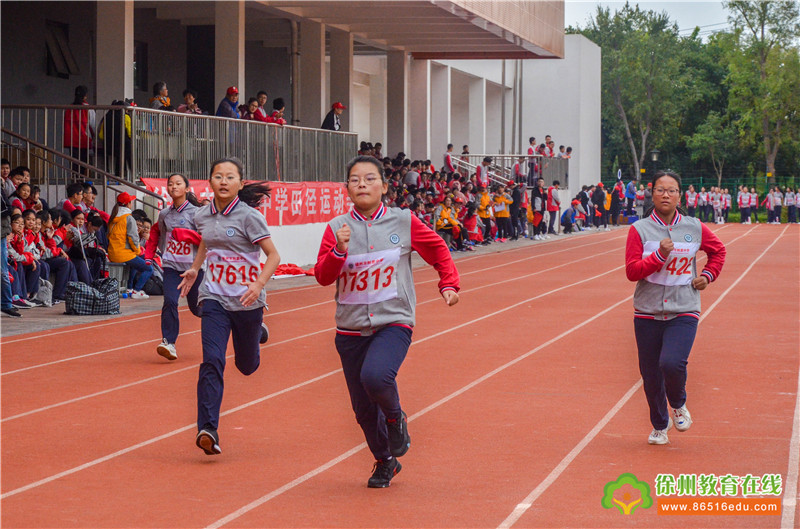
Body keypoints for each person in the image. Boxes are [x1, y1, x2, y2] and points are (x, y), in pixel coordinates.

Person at [313, 155, 459, 488]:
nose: (361, 184)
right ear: (346, 188)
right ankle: (385, 461)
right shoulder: (337, 228)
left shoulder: (403, 222)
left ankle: (395, 417)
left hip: (394, 320)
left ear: (384, 186)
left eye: (369, 179)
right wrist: (339, 250)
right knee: (363, 410)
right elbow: (322, 276)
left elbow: (437, 249)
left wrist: (448, 283)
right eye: (354, 180)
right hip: (350, 329)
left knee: (376, 376)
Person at [177, 157, 280, 456]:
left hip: (247, 301)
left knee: (247, 367)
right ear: (209, 182)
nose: (223, 181)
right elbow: (207, 242)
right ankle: (207, 428)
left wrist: (258, 285)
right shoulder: (202, 215)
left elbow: (273, 256)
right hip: (214, 298)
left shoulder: (249, 217)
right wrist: (196, 269)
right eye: (218, 176)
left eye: (230, 177)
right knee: (212, 361)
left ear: (240, 183)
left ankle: (256, 332)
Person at [625, 171, 726, 445]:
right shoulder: (640, 230)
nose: (666, 195)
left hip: (684, 308)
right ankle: (660, 425)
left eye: (671, 190)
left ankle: (679, 404)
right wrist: (659, 255)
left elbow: (718, 252)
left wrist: (707, 276)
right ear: (652, 194)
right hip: (647, 311)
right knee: (650, 374)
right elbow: (632, 271)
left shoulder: (694, 227)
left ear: (680, 195)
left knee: (671, 362)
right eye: (660, 190)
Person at [144, 173, 204, 361]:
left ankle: (239, 319)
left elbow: (207, 241)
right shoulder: (164, 214)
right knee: (170, 301)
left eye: (178, 184)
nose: (173, 187)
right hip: (171, 267)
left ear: (187, 189)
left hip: (193, 269)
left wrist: (187, 235)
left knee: (198, 310)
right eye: (170, 184)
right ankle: (168, 342)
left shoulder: (197, 214)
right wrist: (148, 256)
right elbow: (155, 233)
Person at [107, 192, 151, 299]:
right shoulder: (128, 218)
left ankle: (130, 288)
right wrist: (137, 251)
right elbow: (133, 238)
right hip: (123, 254)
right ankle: (136, 290)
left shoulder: (113, 218)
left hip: (113, 253)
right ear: (128, 204)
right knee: (149, 269)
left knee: (135, 262)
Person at [63, 85, 96, 177]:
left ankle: (75, 181)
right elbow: (93, 125)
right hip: (83, 139)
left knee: (74, 164)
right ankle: (81, 182)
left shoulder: (69, 108)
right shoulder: (88, 109)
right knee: (83, 163)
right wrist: (94, 139)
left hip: (71, 140)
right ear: (85, 96)